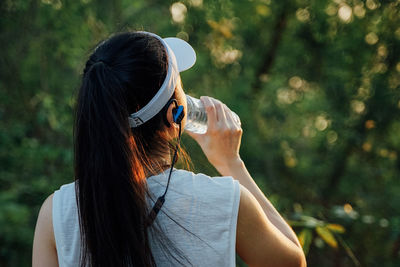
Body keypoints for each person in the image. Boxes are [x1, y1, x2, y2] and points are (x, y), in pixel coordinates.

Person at [32, 31, 306, 267]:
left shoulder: (56, 213)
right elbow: (294, 262)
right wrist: (231, 163)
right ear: (174, 116)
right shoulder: (226, 200)